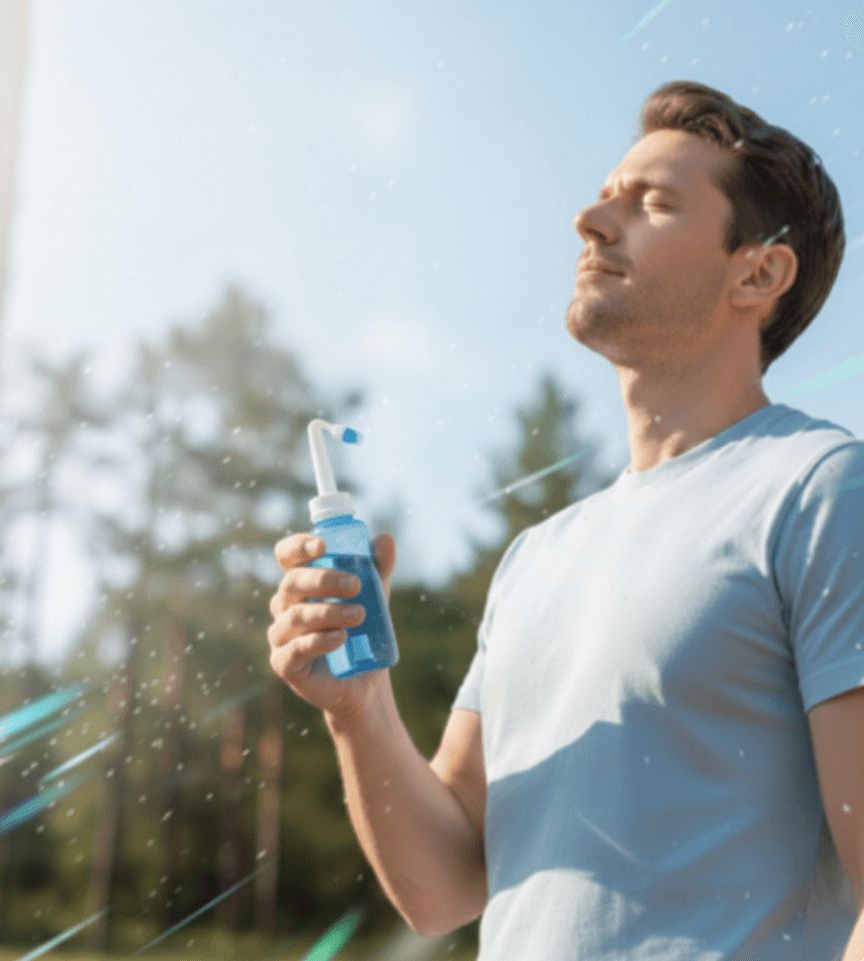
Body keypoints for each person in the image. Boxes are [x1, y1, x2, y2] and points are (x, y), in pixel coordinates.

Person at [266, 80, 864, 960]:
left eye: (652, 202)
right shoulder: (534, 558)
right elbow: (443, 889)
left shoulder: (817, 489)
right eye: (603, 193)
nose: (589, 220)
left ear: (758, 271)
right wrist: (358, 710)